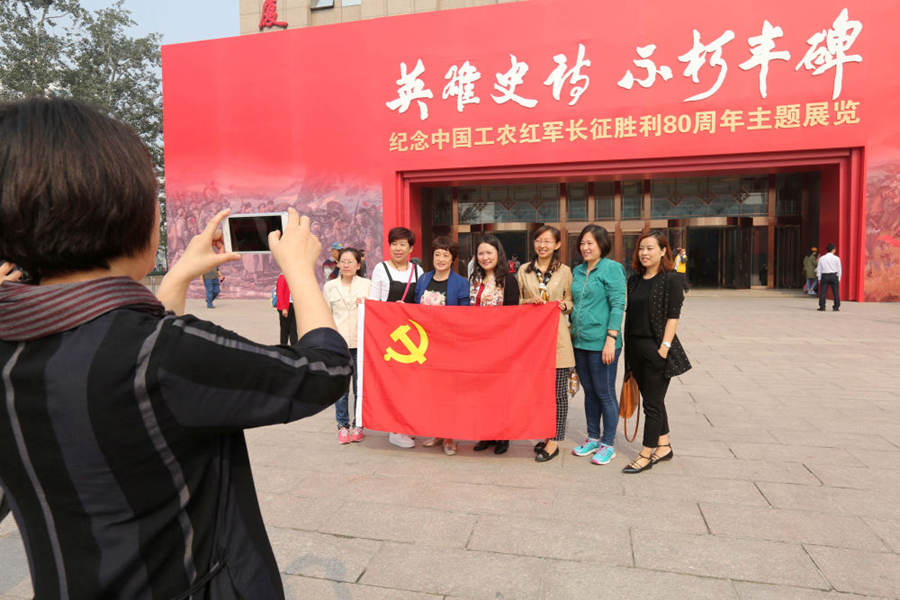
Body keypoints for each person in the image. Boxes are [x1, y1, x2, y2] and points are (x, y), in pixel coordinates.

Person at [0, 97, 351, 598]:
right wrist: (300, 269)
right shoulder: (163, 352)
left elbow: (123, 356)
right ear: (125, 213)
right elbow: (324, 371)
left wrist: (180, 274)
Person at [622, 231, 691, 474]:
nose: (644, 253)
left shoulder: (672, 279)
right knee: (654, 400)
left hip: (656, 350)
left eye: (650, 248)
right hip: (635, 349)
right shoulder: (634, 280)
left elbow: (673, 316)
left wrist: (664, 348)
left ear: (663, 251)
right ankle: (664, 446)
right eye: (641, 248)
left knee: (652, 404)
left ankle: (645, 453)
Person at [569, 225, 627, 465]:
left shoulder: (612, 268)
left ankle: (608, 444)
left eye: (590, 243)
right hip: (580, 342)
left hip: (603, 342)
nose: (585, 248)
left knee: (605, 392)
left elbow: (618, 304)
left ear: (601, 245)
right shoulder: (578, 270)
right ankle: (593, 437)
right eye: (582, 243)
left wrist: (611, 339)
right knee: (590, 392)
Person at [517, 226, 574, 463]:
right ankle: (545, 433)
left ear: (557, 245)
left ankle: (554, 441)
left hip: (558, 338)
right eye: (539, 240)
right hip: (533, 340)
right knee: (539, 393)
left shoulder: (565, 271)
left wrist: (564, 305)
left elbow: (570, 300)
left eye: (548, 241)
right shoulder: (523, 270)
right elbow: (516, 301)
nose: (543, 245)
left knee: (558, 393)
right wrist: (528, 301)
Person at [414, 236, 470, 455]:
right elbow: (414, 309)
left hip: (450, 345)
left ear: (452, 258)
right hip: (427, 346)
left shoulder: (461, 283)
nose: (440, 259)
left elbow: (465, 315)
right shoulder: (423, 279)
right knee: (432, 392)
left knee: (450, 393)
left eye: (445, 255)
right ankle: (437, 432)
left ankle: (449, 437)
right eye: (437, 254)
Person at [369, 226, 424, 448]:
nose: (398, 248)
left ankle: (407, 424)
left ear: (411, 248)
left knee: (411, 384)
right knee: (392, 384)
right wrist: (393, 309)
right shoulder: (380, 269)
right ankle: (394, 430)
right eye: (394, 244)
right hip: (389, 336)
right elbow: (374, 304)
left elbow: (421, 303)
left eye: (402, 244)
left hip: (412, 337)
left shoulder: (418, 271)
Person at [470, 234, 520, 455]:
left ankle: (503, 435)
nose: (485, 257)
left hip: (500, 346)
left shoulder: (508, 280)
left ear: (498, 254)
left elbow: (513, 316)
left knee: (500, 393)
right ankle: (486, 434)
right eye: (481, 253)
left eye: (489, 252)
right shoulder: (474, 279)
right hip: (476, 346)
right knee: (481, 393)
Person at [324, 248, 371, 444]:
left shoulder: (367, 285)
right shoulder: (330, 287)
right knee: (341, 389)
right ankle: (342, 426)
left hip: (361, 344)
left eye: (350, 262)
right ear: (338, 264)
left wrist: (366, 304)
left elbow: (376, 312)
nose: (346, 265)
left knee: (360, 389)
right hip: (339, 345)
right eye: (343, 261)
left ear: (358, 265)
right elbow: (326, 315)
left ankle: (358, 425)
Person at [817, 243, 842, 312]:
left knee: (823, 292)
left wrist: (819, 278)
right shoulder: (837, 258)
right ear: (833, 250)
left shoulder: (822, 258)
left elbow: (819, 269)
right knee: (836, 292)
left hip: (824, 276)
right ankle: (836, 307)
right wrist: (839, 278)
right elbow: (839, 269)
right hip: (834, 276)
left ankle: (822, 307)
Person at [275, 271, 298, 345]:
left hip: (293, 305)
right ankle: (283, 348)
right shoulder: (283, 277)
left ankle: (294, 348)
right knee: (284, 331)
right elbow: (280, 293)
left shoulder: (294, 277)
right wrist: (283, 308)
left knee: (293, 330)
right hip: (285, 306)